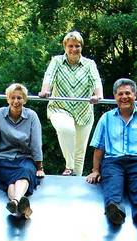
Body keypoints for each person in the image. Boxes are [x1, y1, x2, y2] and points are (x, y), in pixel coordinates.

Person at [86, 78, 137, 230]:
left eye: (128, 93)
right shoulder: (106, 118)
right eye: (120, 94)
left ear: (135, 95)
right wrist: (95, 170)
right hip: (113, 161)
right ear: (115, 96)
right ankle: (115, 211)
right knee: (112, 184)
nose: (124, 97)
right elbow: (99, 147)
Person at [39, 30, 103, 176]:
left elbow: (96, 80)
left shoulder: (89, 64)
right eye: (71, 46)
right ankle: (69, 167)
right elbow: (49, 76)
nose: (74, 49)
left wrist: (98, 95)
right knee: (66, 129)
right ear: (65, 47)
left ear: (82, 47)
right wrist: (45, 90)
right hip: (60, 108)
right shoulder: (56, 61)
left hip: (84, 112)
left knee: (79, 153)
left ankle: (75, 186)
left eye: (77, 46)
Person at [0, 83, 44, 218]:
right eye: (12, 98)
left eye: (19, 98)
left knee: (25, 172)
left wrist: (39, 167)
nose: (16, 101)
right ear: (7, 99)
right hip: (3, 158)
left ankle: (15, 202)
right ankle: (20, 204)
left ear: (24, 99)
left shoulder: (32, 116)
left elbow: (36, 143)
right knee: (10, 179)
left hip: (25, 158)